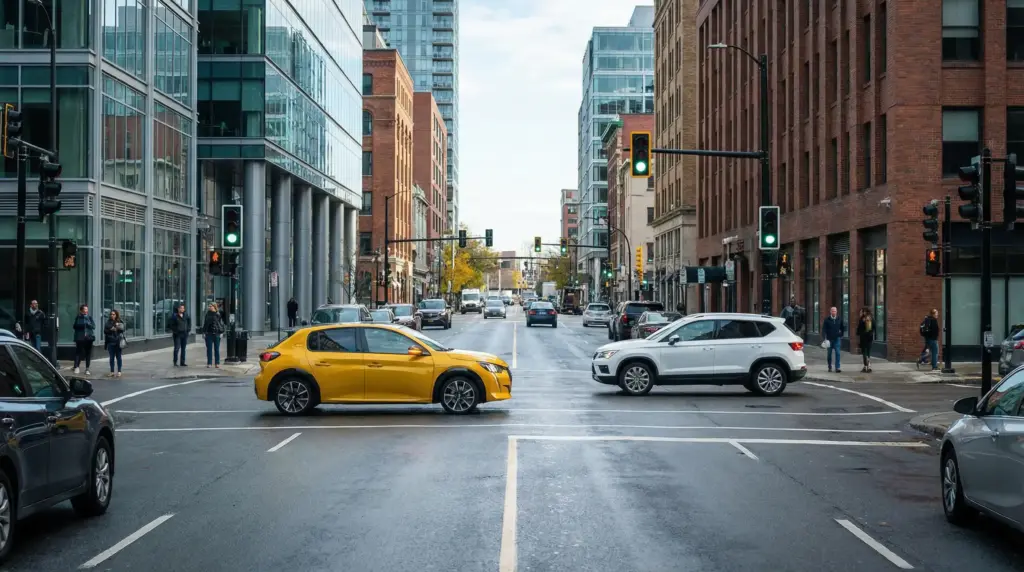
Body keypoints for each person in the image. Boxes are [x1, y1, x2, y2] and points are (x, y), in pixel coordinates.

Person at [71, 305, 96, 375]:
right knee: (78, 352)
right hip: (80, 338)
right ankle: (76, 367)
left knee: (88, 353)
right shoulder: (78, 317)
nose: (86, 311)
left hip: (88, 338)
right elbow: (74, 326)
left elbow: (94, 326)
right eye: (85, 309)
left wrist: (88, 324)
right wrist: (82, 324)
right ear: (81, 310)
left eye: (87, 309)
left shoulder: (89, 317)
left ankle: (87, 369)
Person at [822, 306, 845, 373]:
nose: (834, 312)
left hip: (837, 339)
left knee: (838, 353)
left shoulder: (839, 319)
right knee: (829, 354)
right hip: (829, 339)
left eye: (835, 311)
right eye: (832, 311)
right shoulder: (827, 320)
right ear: (830, 312)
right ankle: (829, 367)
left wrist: (841, 335)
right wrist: (824, 338)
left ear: (836, 312)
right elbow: (824, 329)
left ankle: (837, 367)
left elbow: (842, 328)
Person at [202, 302, 226, 368]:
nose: (209, 307)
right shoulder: (207, 314)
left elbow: (221, 324)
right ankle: (209, 363)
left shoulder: (218, 314)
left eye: (211, 306)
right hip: (208, 333)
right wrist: (203, 332)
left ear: (214, 307)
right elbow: (205, 324)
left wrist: (221, 333)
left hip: (216, 333)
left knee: (217, 349)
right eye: (209, 306)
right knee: (209, 349)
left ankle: (217, 363)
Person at [103, 309, 125, 378]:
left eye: (113, 314)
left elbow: (123, 329)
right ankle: (112, 371)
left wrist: (117, 326)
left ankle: (119, 371)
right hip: (110, 342)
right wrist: (110, 330)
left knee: (119, 357)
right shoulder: (108, 322)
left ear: (116, 315)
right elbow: (105, 331)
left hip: (118, 342)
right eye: (111, 314)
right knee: (111, 358)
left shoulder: (119, 321)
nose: (112, 315)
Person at [856, 307, 875, 373]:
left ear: (864, 312)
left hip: (864, 338)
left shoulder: (862, 319)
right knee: (868, 352)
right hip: (870, 338)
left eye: (861, 312)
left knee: (864, 352)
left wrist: (858, 333)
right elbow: (874, 327)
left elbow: (859, 329)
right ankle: (868, 366)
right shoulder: (871, 318)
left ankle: (866, 366)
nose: (860, 313)